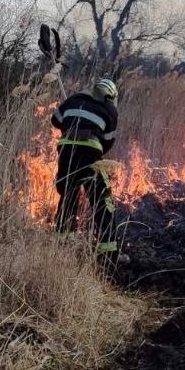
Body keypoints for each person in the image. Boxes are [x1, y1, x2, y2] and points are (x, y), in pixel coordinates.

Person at [51, 77, 120, 255]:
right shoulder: (110, 109)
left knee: (68, 195)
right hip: (90, 152)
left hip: (66, 151)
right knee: (102, 199)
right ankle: (108, 252)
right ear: (111, 95)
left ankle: (63, 245)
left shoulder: (73, 99)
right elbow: (108, 141)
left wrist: (72, 123)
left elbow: (55, 120)